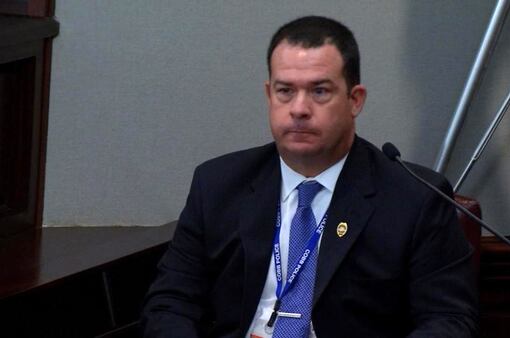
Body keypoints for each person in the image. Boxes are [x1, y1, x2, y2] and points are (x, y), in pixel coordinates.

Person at [142, 15, 478, 337]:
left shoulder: (415, 198)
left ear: (355, 100)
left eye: (319, 91)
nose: (299, 108)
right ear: (268, 95)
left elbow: (448, 321)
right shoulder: (217, 184)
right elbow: (171, 302)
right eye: (285, 91)